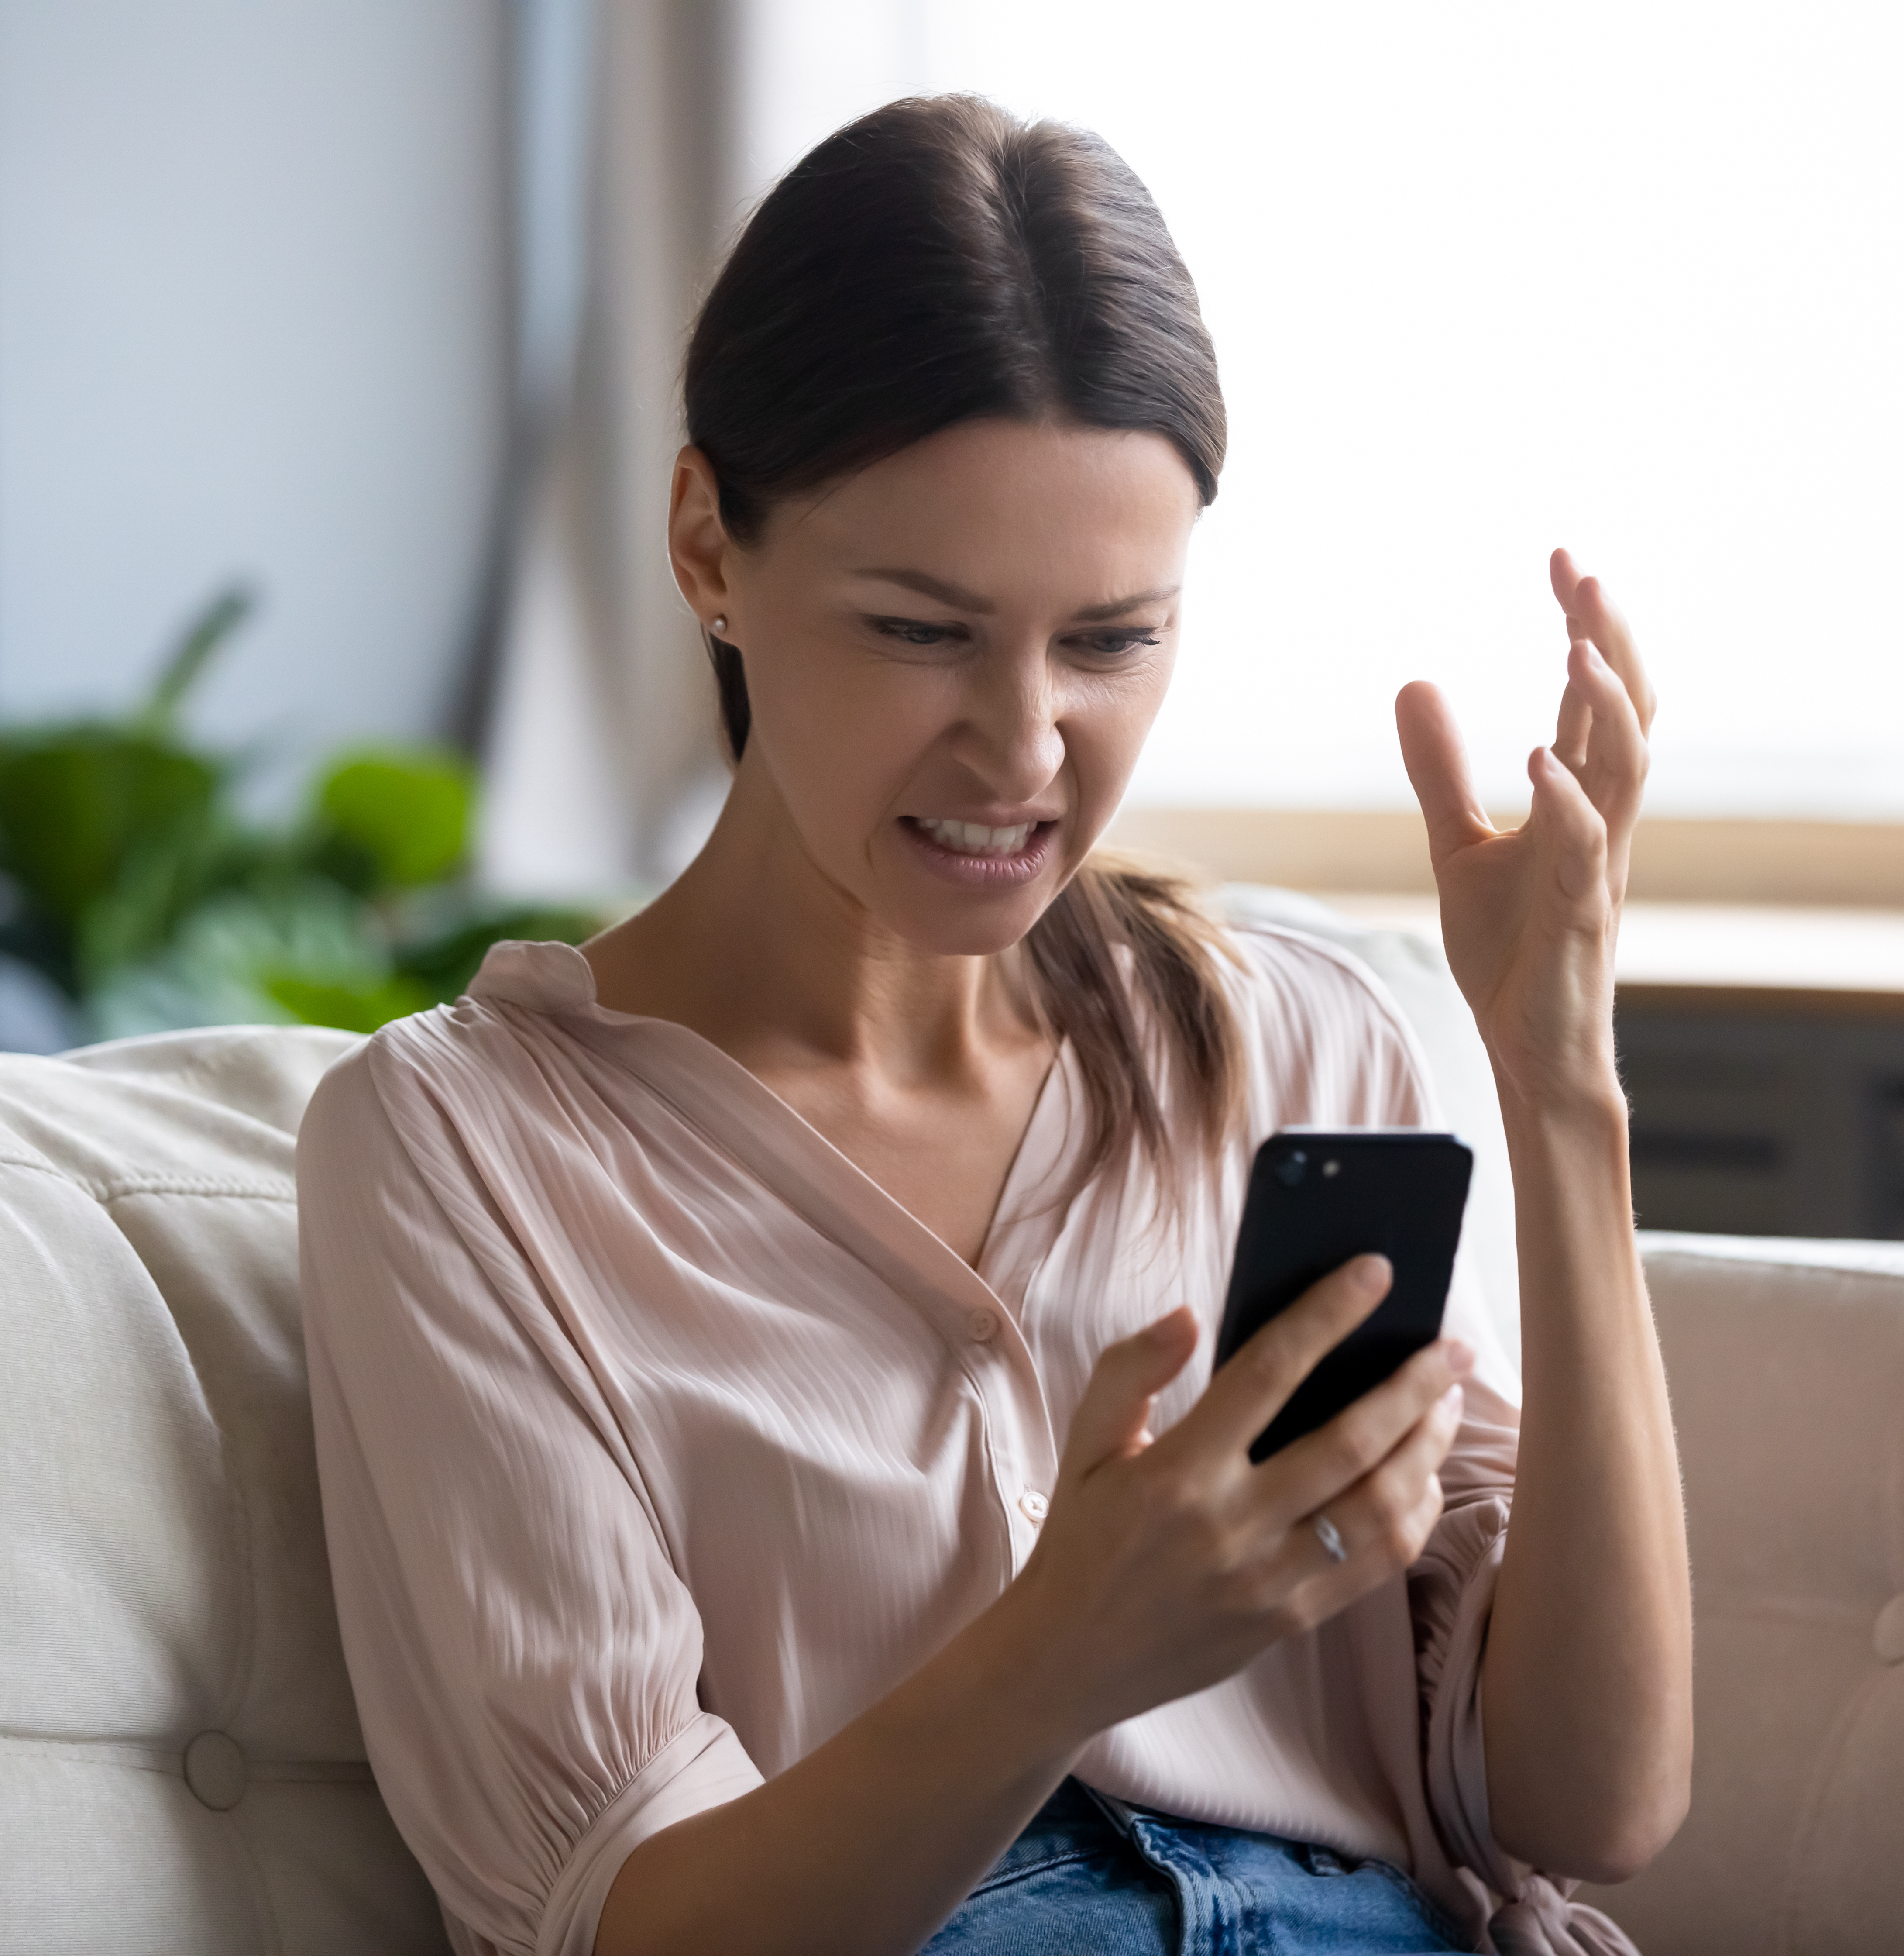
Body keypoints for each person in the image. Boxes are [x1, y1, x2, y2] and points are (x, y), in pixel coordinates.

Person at [298, 94, 1691, 1956]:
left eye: (1113, 641)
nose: (1025, 749)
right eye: (921, 630)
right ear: (709, 544)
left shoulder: (1315, 1041)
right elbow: (635, 1925)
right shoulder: (467, 1152)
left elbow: (1596, 1803)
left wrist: (1562, 1086)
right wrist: (1068, 1649)